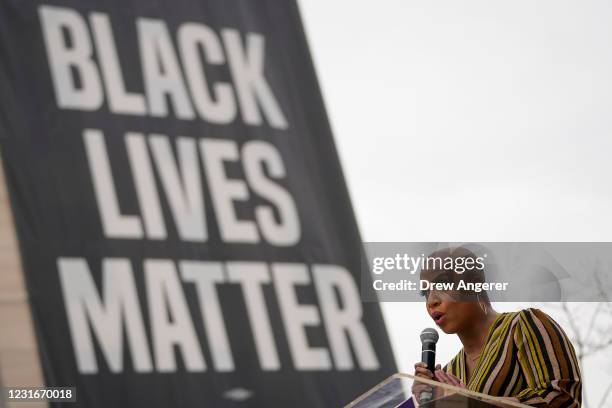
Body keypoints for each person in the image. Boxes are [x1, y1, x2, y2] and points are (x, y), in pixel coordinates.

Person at [412, 247, 582, 407]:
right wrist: (428, 402)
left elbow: (563, 399)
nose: (431, 301)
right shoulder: (449, 374)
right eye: (425, 293)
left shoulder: (524, 325)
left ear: (475, 283)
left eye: (442, 285)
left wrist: (473, 404)